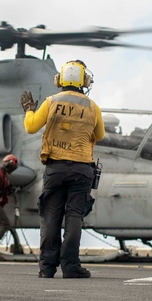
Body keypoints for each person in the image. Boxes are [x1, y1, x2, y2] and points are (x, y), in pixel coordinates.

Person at [20, 60, 105, 278]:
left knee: (51, 217)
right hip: (82, 169)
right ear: (84, 81)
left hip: (55, 168)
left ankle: (47, 268)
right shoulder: (92, 106)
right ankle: (71, 267)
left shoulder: (51, 102)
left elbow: (30, 127)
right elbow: (101, 135)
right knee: (74, 216)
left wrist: (29, 110)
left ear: (60, 79)